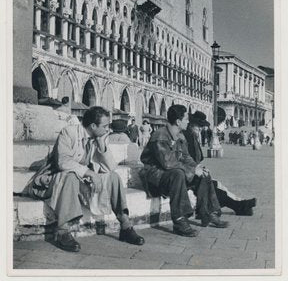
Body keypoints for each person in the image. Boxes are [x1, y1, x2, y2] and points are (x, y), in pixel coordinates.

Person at [25, 106, 144, 252]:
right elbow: (63, 162)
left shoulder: (98, 138)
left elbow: (110, 168)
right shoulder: (69, 132)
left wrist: (102, 149)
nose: (108, 130)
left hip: (82, 182)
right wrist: (89, 173)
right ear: (93, 126)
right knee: (70, 176)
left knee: (114, 177)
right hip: (57, 180)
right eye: (105, 126)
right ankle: (62, 232)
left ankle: (125, 226)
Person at [140, 104, 229, 238]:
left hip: (172, 173)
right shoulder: (160, 136)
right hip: (156, 175)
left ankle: (208, 213)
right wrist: (193, 170)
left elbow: (186, 157)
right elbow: (168, 163)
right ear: (178, 121)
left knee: (204, 173)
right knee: (178, 174)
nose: (188, 121)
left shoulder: (180, 136)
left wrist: (197, 168)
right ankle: (179, 220)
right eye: (186, 118)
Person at [183, 111, 257, 216]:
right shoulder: (186, 137)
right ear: (191, 124)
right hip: (188, 176)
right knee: (213, 187)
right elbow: (185, 160)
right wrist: (197, 169)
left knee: (218, 184)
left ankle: (240, 203)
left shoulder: (192, 136)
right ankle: (239, 205)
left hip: (193, 173)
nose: (200, 129)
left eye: (201, 126)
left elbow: (194, 160)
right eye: (198, 126)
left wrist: (199, 168)